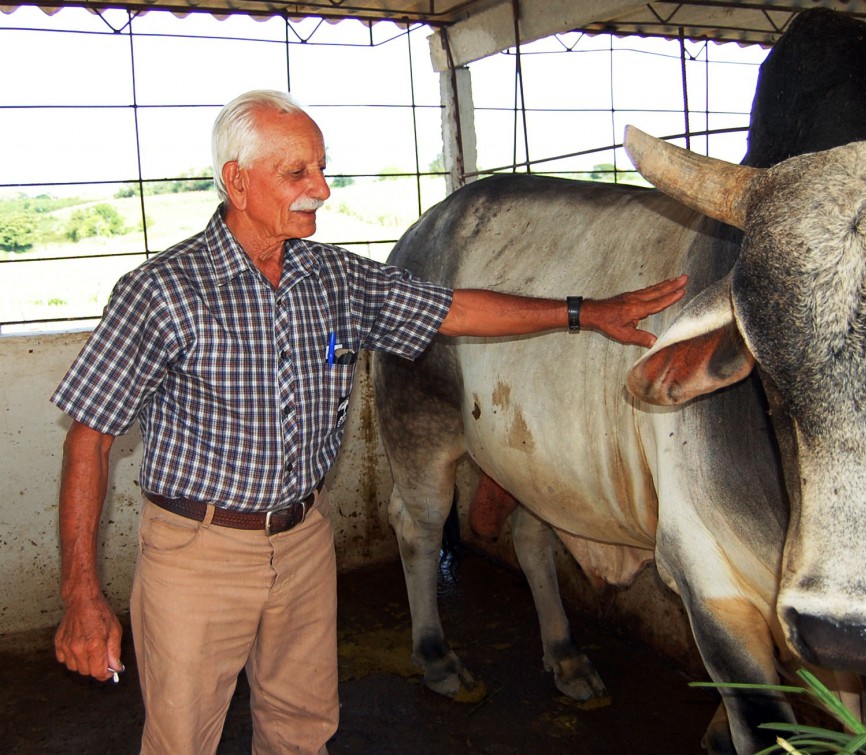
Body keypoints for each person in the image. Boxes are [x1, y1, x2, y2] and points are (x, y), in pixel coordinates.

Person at [51, 89, 688, 754]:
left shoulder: (332, 278)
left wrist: (585, 311)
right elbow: (89, 438)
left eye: (322, 167)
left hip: (302, 541)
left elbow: (456, 310)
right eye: (297, 173)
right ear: (237, 181)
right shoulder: (162, 291)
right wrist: (82, 595)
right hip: (199, 553)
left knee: (302, 728)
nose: (321, 189)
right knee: (183, 739)